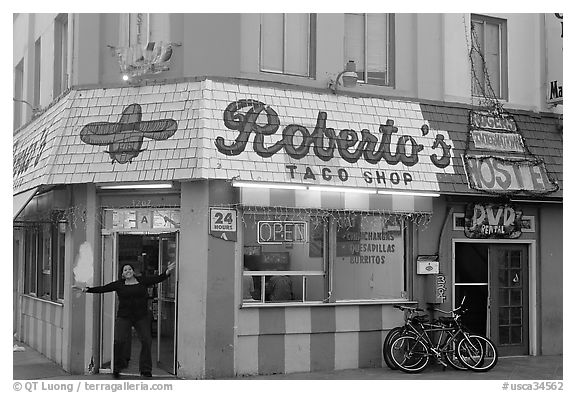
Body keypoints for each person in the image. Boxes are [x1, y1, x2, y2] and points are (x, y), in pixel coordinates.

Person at [82, 261, 176, 378]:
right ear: (122, 274)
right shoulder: (119, 284)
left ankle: (145, 370)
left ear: (133, 271)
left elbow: (157, 279)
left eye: (130, 269)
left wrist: (167, 272)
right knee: (119, 341)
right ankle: (117, 367)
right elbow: (103, 288)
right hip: (124, 317)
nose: (128, 271)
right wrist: (87, 289)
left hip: (141, 317)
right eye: (125, 270)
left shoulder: (142, 281)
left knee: (147, 341)